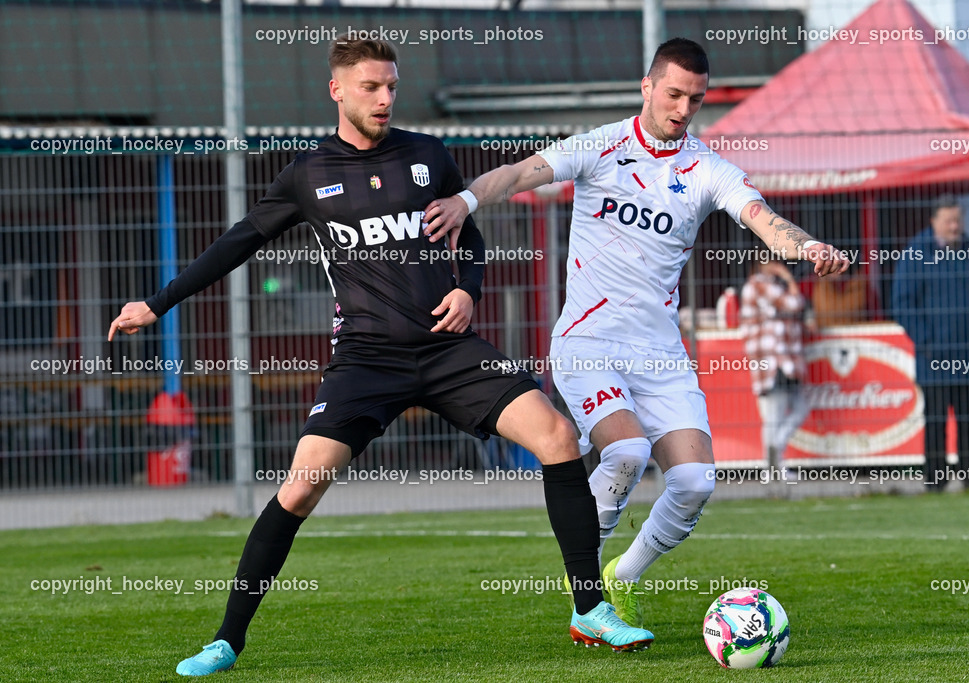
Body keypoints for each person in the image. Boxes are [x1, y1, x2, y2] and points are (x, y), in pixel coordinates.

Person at [108, 39, 653, 677]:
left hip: (448, 347)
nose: (385, 98)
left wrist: (466, 289)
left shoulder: (427, 154)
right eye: (371, 87)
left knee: (558, 435)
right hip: (366, 358)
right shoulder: (307, 175)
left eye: (392, 86)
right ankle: (227, 640)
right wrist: (158, 303)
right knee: (303, 486)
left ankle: (589, 608)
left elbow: (467, 230)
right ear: (337, 90)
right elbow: (237, 243)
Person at [423, 37, 849, 628]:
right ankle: (587, 603)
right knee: (625, 451)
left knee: (697, 481)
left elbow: (761, 218)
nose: (682, 108)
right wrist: (467, 200)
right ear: (647, 87)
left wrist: (807, 248)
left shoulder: (706, 169)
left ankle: (621, 577)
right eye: (673, 94)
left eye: (695, 99)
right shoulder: (603, 146)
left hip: (659, 353)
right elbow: (523, 172)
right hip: (587, 343)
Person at [892, 196, 969, 491]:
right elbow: (903, 304)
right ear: (934, 221)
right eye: (949, 221)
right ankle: (935, 480)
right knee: (936, 420)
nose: (955, 226)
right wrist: (928, 342)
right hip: (934, 357)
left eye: (958, 220)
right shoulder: (916, 253)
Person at [740, 260, 814, 470]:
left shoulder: (769, 286)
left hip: (784, 358)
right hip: (772, 359)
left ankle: (773, 460)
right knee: (774, 415)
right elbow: (794, 304)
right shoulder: (759, 284)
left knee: (797, 408)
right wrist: (788, 277)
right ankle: (773, 465)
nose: (779, 264)